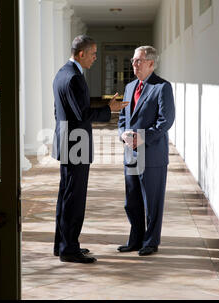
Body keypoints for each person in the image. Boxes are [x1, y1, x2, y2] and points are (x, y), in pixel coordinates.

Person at [52, 35, 128, 263]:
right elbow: (82, 115)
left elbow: (64, 112)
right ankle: (69, 250)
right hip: (76, 146)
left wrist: (104, 106)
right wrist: (109, 109)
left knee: (66, 196)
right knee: (74, 199)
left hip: (67, 141)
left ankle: (63, 245)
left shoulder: (62, 73)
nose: (96, 57)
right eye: (93, 53)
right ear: (81, 54)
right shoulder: (74, 78)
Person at [117, 46, 175, 256]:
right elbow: (123, 118)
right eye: (133, 60)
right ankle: (135, 239)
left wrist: (141, 138)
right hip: (131, 155)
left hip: (151, 155)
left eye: (138, 60)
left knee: (152, 202)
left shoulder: (162, 87)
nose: (134, 64)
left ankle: (150, 242)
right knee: (131, 201)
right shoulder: (130, 87)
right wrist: (123, 134)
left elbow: (165, 122)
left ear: (151, 63)